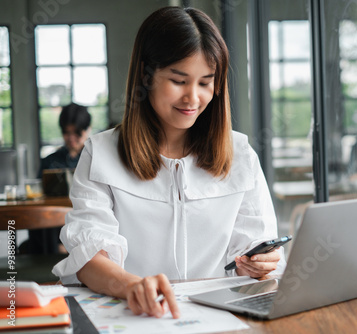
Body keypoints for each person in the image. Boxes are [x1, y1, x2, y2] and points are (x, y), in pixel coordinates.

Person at [52, 6, 285, 320]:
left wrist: (260, 262)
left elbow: (257, 245)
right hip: (137, 316)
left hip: (223, 317)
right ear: (147, 75)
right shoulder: (101, 152)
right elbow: (88, 256)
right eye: (179, 80)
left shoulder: (240, 153)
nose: (193, 98)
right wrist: (132, 285)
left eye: (205, 83)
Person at [22, 103, 91, 255]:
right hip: (54, 230)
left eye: (77, 133)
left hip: (86, 225)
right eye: (67, 133)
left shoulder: (96, 161)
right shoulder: (49, 161)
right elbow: (38, 197)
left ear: (88, 130)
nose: (71, 138)